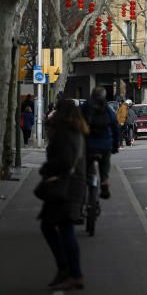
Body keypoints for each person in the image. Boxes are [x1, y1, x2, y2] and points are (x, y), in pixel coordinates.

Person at [38, 98, 87, 291]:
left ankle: (70, 271)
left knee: (55, 227)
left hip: (64, 187)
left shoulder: (65, 133)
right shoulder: (77, 130)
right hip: (75, 185)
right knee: (59, 227)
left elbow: (64, 161)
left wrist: (46, 169)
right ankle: (71, 272)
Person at [81, 87, 120, 199]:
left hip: (88, 145)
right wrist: (115, 145)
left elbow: (76, 122)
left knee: (85, 169)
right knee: (104, 166)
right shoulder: (107, 108)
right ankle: (104, 183)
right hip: (105, 144)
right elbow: (115, 127)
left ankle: (83, 191)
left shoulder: (85, 107)